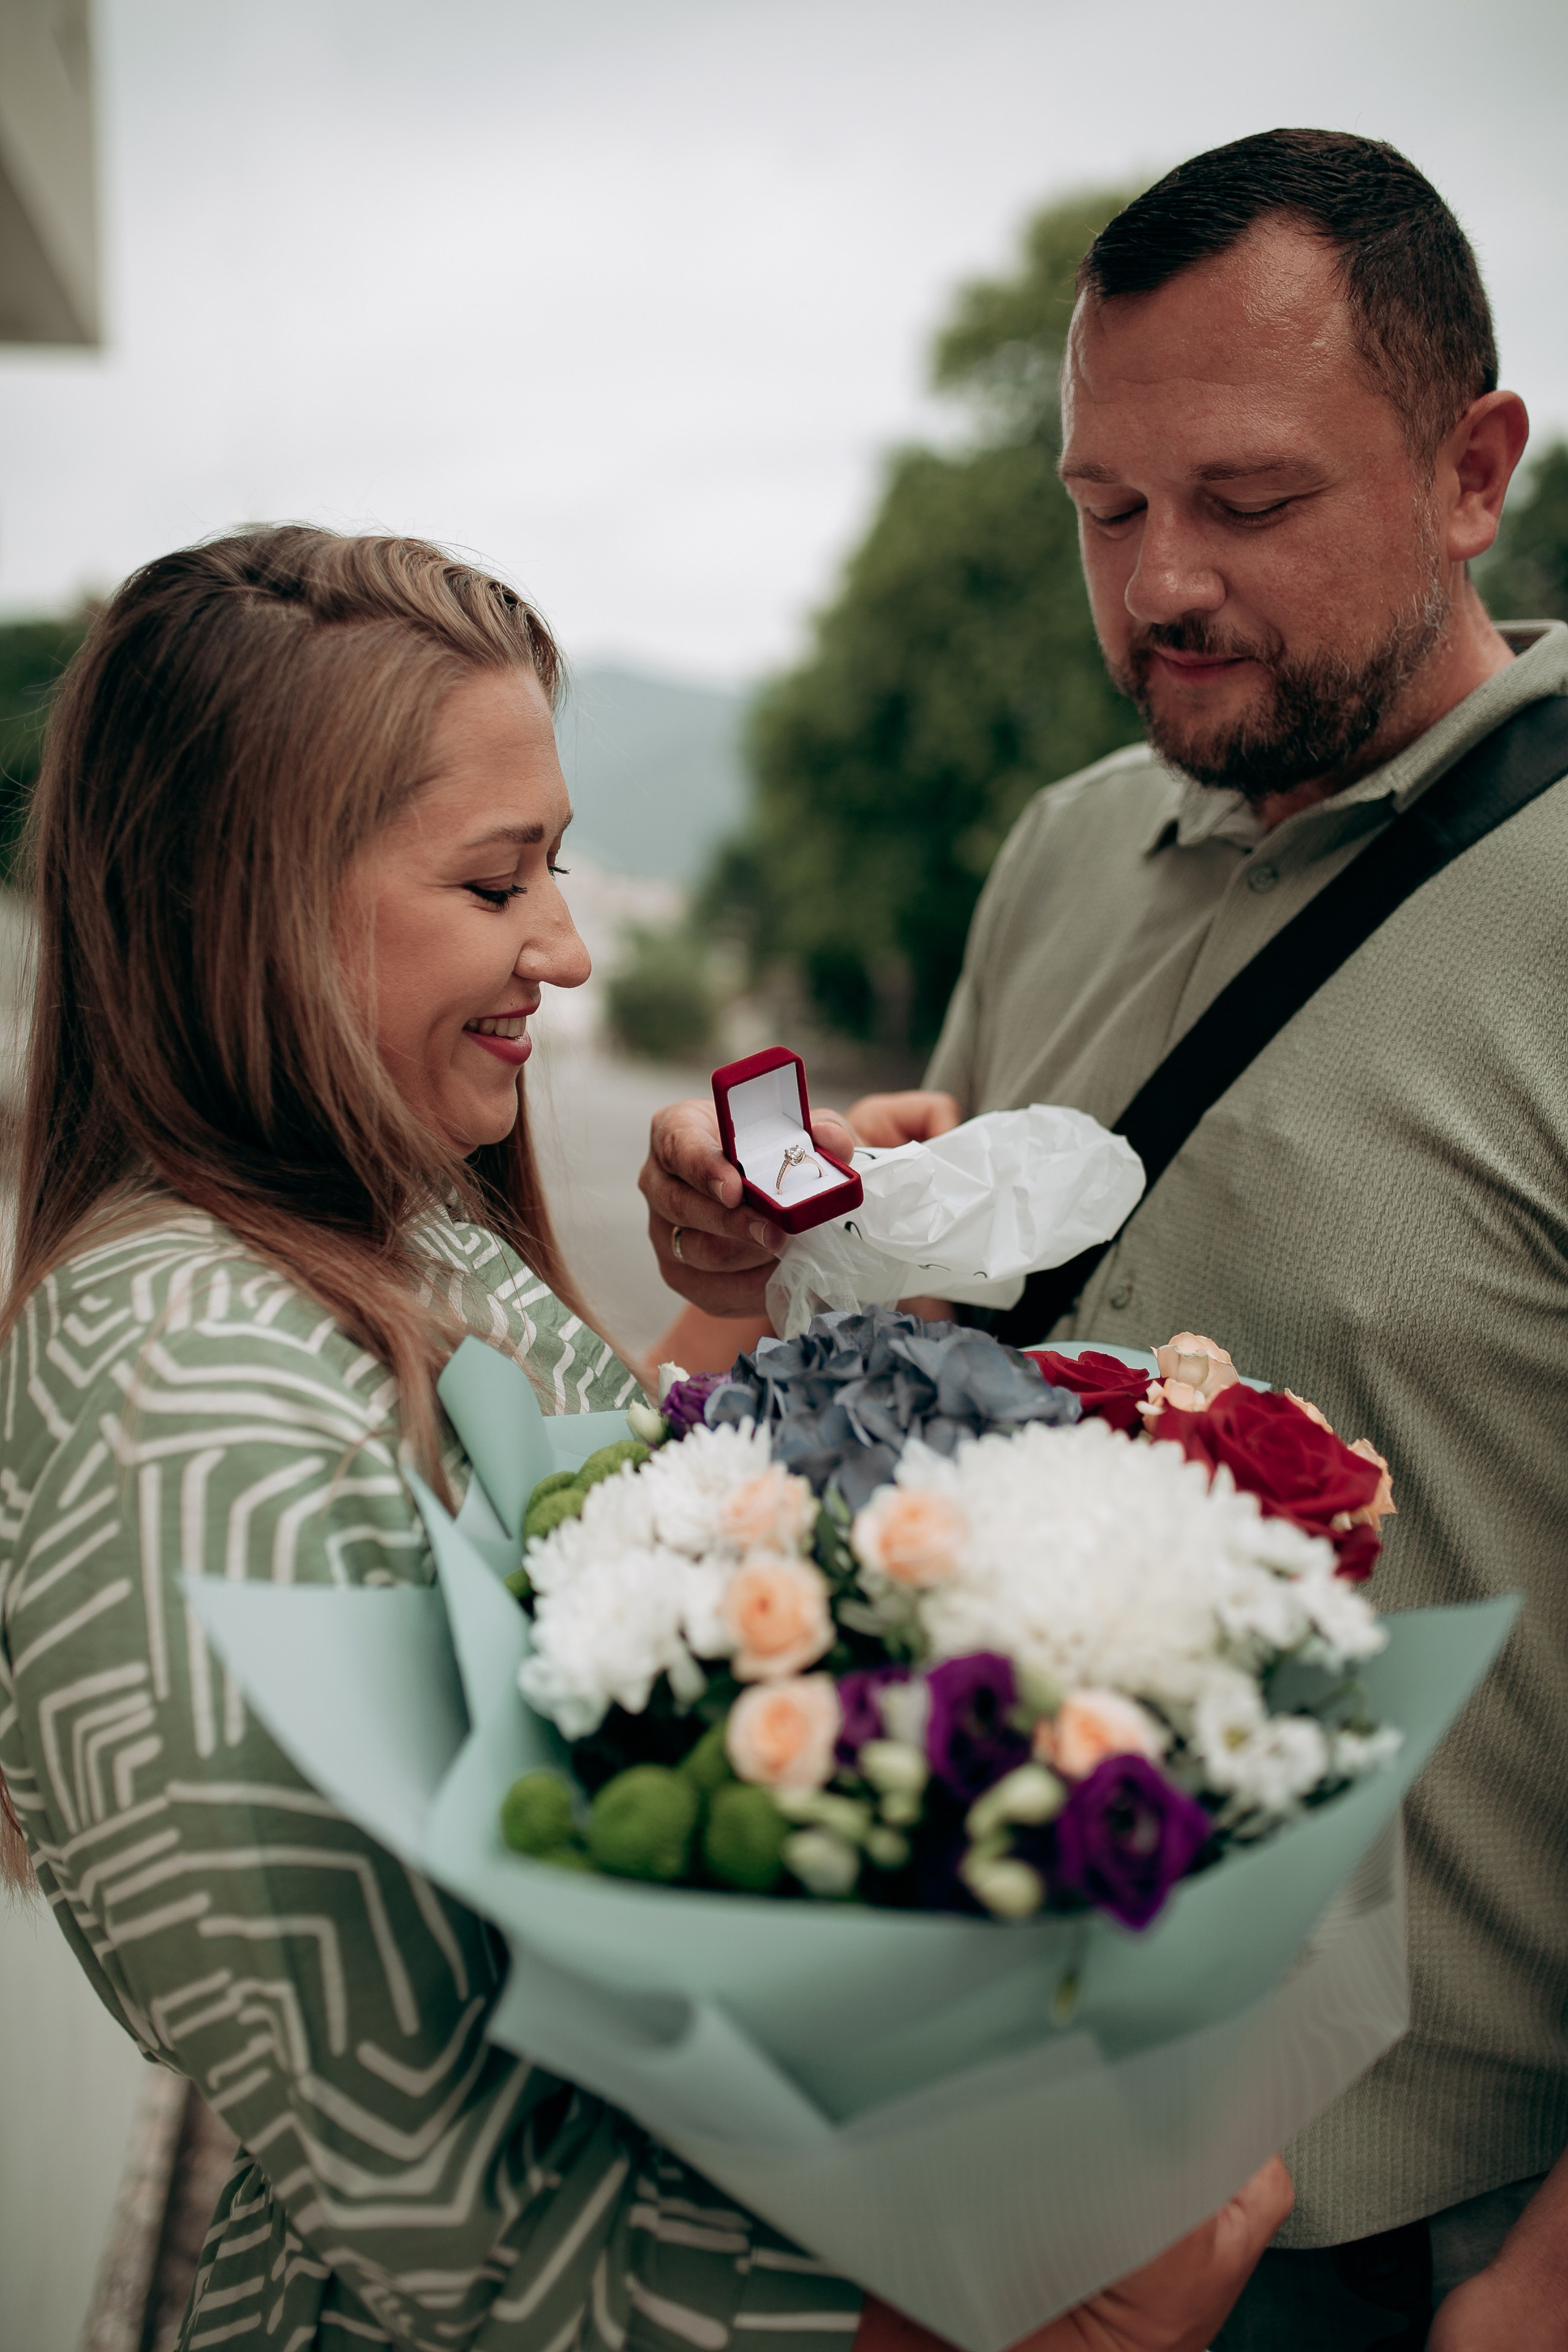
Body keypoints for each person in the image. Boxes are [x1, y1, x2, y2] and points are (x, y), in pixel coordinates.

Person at [0, 526, 1289, 2352]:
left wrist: (801, 1275)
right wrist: (1017, 2320)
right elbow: (440, 2209)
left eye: (560, 863)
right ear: (245, 896)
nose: (571, 948)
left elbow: (589, 1499)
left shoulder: (383, 1219)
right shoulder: (177, 1402)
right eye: (494, 880)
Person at [638, 129, 1568, 2348]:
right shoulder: (1058, 848)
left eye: (1246, 502)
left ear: (1473, 472)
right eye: (1104, 508)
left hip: (1414, 2242)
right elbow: (927, 1408)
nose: (1158, 584)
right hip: (989, 2167)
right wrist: (777, 1256)